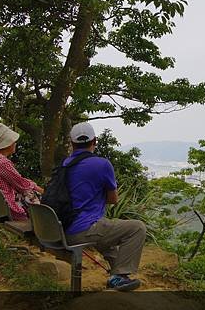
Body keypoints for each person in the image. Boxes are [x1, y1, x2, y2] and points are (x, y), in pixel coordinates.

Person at [64, 122, 146, 292]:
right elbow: (113, 199)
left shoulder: (65, 164)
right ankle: (119, 277)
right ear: (95, 141)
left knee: (103, 228)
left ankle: (117, 273)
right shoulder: (102, 164)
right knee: (137, 228)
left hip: (61, 228)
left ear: (72, 144)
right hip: (80, 232)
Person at [0, 123, 43, 221]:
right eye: (13, 141)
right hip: (10, 207)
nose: (15, 143)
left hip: (0, 207)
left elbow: (18, 180)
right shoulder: (2, 162)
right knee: (42, 198)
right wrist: (40, 189)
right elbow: (22, 184)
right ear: (7, 144)